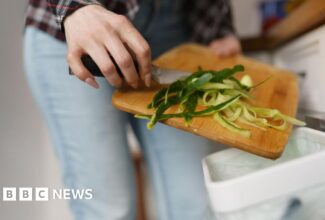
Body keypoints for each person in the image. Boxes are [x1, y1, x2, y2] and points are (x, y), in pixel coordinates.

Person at [24, 0, 241, 219]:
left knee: (195, 205)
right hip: (75, 32)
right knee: (109, 210)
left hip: (172, 28)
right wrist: (74, 7)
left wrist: (216, 25)